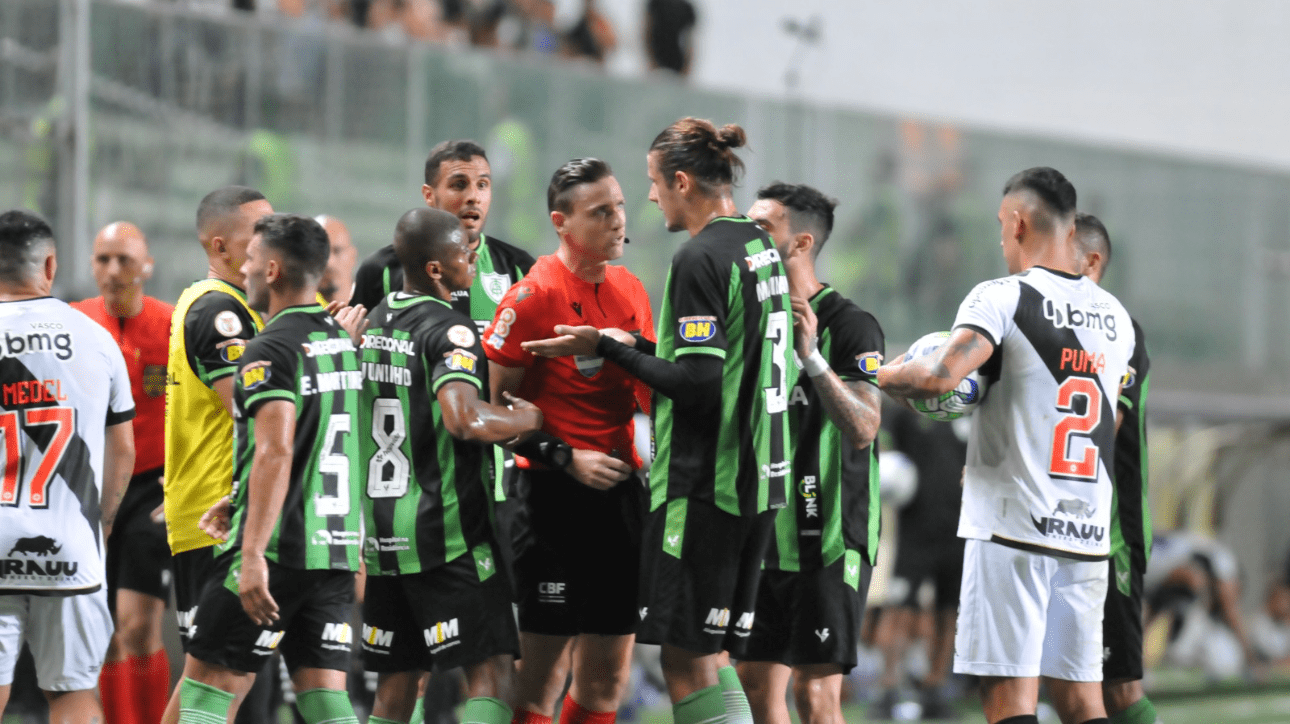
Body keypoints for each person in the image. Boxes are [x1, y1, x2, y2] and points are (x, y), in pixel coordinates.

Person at [525, 118, 792, 724]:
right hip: (758, 483)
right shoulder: (758, 248)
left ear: (681, 181)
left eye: (650, 183)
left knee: (686, 662)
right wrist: (638, 341)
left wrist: (611, 348)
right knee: (713, 652)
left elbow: (697, 387)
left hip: (706, 487)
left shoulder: (700, 257)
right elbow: (725, 364)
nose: (647, 199)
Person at [876, 167, 1134, 724]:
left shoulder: (1003, 297)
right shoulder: (1116, 319)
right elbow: (1105, 425)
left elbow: (940, 378)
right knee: (1081, 699)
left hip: (1013, 528)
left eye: (999, 224)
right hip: (1086, 530)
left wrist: (885, 376)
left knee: (1008, 697)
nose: (999, 236)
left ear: (1017, 223)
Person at [358, 206, 544, 724]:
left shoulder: (375, 321)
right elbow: (464, 419)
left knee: (396, 688)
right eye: (463, 252)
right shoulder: (450, 329)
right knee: (492, 673)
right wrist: (524, 422)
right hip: (447, 532)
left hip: (385, 536)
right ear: (436, 269)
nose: (472, 258)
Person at [176, 214, 364, 724]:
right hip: (335, 550)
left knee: (205, 694)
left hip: (278, 549)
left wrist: (252, 552)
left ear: (275, 269)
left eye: (253, 261)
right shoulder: (344, 344)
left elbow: (276, 450)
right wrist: (241, 496)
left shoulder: (270, 349)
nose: (246, 270)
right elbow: (322, 442)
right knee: (325, 699)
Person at [484, 159, 653, 724]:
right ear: (562, 222)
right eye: (600, 212)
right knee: (539, 678)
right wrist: (563, 456)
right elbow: (491, 410)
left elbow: (648, 391)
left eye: (620, 207)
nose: (617, 221)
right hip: (549, 503)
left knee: (607, 677)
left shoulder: (632, 290)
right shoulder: (531, 298)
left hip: (622, 500)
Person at [731, 183, 884, 724]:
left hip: (831, 536)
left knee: (815, 696)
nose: (745, 239)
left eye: (760, 228)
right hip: (764, 535)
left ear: (799, 242)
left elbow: (865, 426)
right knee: (753, 685)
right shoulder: (748, 323)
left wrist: (812, 359)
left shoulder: (850, 325)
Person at [0, 209, 137, 723]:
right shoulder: (96, 337)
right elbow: (123, 451)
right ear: (50, 264)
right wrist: (99, 526)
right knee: (73, 693)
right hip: (72, 546)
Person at [70, 222, 174, 724]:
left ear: (146, 265)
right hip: (89, 492)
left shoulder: (173, 326)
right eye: (103, 259)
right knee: (103, 630)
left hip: (153, 490)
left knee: (138, 626)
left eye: (124, 260)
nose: (113, 271)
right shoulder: (75, 323)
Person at [1074, 213, 1160, 724]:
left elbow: (1105, 424)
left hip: (1115, 531)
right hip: (1071, 526)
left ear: (1091, 262)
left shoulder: (1120, 331)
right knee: (1082, 686)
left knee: (1119, 685)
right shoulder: (1059, 329)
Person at [351, 140, 535, 335]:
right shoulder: (383, 269)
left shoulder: (519, 268)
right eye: (459, 185)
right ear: (429, 195)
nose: (474, 196)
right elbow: (357, 350)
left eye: (482, 185)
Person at [869, 405, 966, 721]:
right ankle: (888, 686)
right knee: (900, 608)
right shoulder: (909, 410)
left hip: (959, 529)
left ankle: (935, 687)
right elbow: (882, 445)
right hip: (915, 531)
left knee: (948, 610)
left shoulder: (970, 410)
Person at [317, 214, 358, 305]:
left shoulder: (378, 309)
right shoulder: (295, 313)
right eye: (319, 253)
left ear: (352, 256)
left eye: (337, 251)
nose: (329, 262)